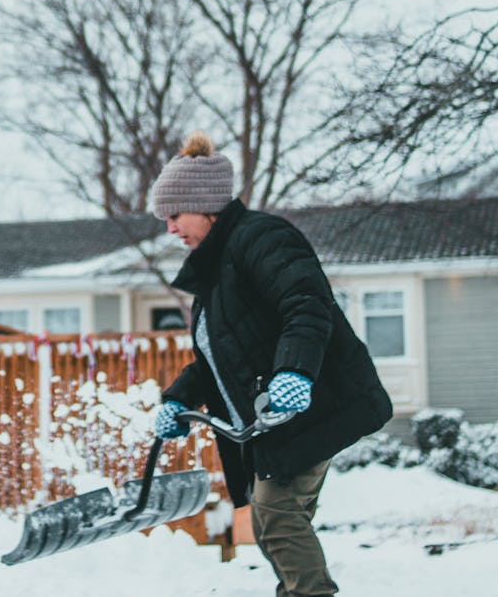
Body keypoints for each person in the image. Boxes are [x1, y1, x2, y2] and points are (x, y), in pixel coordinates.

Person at [149, 131, 393, 597]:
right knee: (274, 519)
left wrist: (295, 372)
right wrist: (177, 401)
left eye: (175, 215)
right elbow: (213, 361)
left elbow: (306, 304)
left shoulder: (261, 238)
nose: (171, 228)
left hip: (316, 403)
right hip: (277, 419)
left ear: (205, 206)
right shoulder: (216, 273)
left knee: (276, 514)